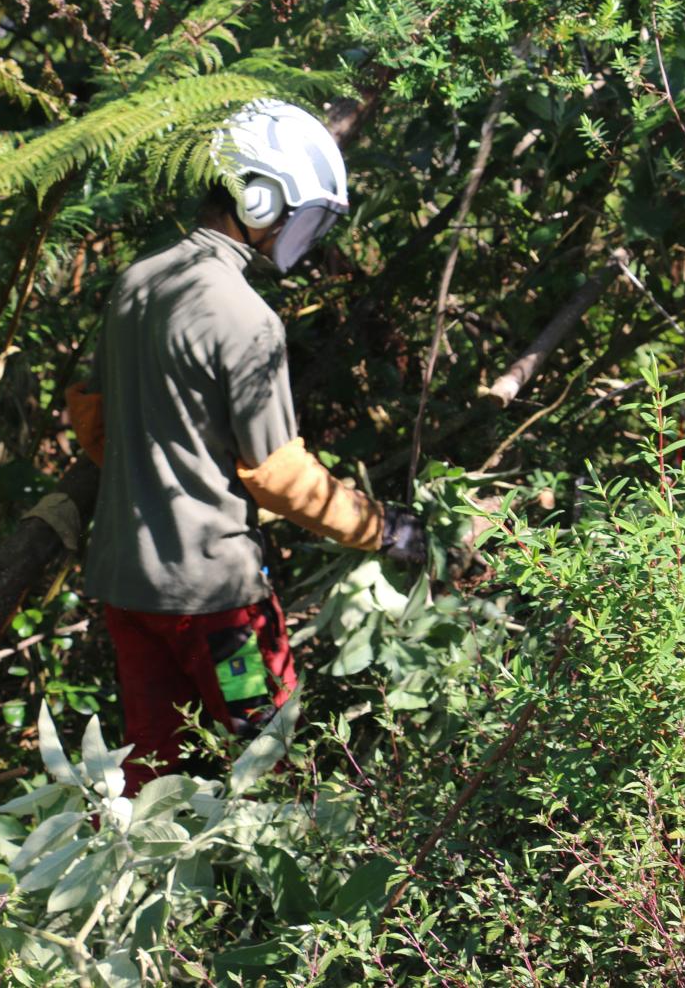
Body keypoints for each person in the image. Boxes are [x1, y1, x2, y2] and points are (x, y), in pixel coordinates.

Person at [64, 99, 426, 795]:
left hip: (129, 591)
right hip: (219, 609)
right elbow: (278, 476)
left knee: (153, 772)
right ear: (260, 198)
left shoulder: (136, 282)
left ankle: (145, 890)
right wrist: (383, 531)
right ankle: (274, 898)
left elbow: (94, 423)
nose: (303, 238)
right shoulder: (246, 317)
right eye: (304, 219)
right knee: (268, 753)